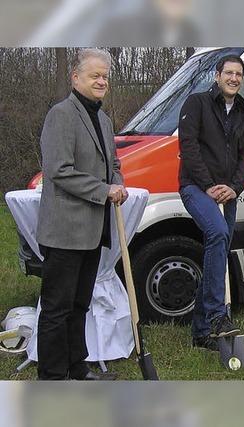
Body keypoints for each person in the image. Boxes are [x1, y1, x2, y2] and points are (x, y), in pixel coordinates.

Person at [36, 48, 127, 380]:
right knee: (57, 310)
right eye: (95, 75)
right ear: (76, 77)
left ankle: (77, 369)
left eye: (105, 76)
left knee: (79, 306)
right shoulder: (61, 115)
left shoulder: (102, 118)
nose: (102, 81)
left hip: (92, 229)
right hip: (65, 230)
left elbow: (113, 165)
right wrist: (104, 190)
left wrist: (117, 182)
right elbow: (58, 170)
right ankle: (52, 378)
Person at [178, 54, 244, 351]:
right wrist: (209, 186)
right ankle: (216, 315)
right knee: (218, 233)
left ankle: (200, 333)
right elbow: (188, 147)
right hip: (196, 187)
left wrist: (234, 188)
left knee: (219, 253)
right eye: (229, 73)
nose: (234, 78)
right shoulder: (196, 104)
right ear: (217, 75)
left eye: (239, 74)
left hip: (228, 191)